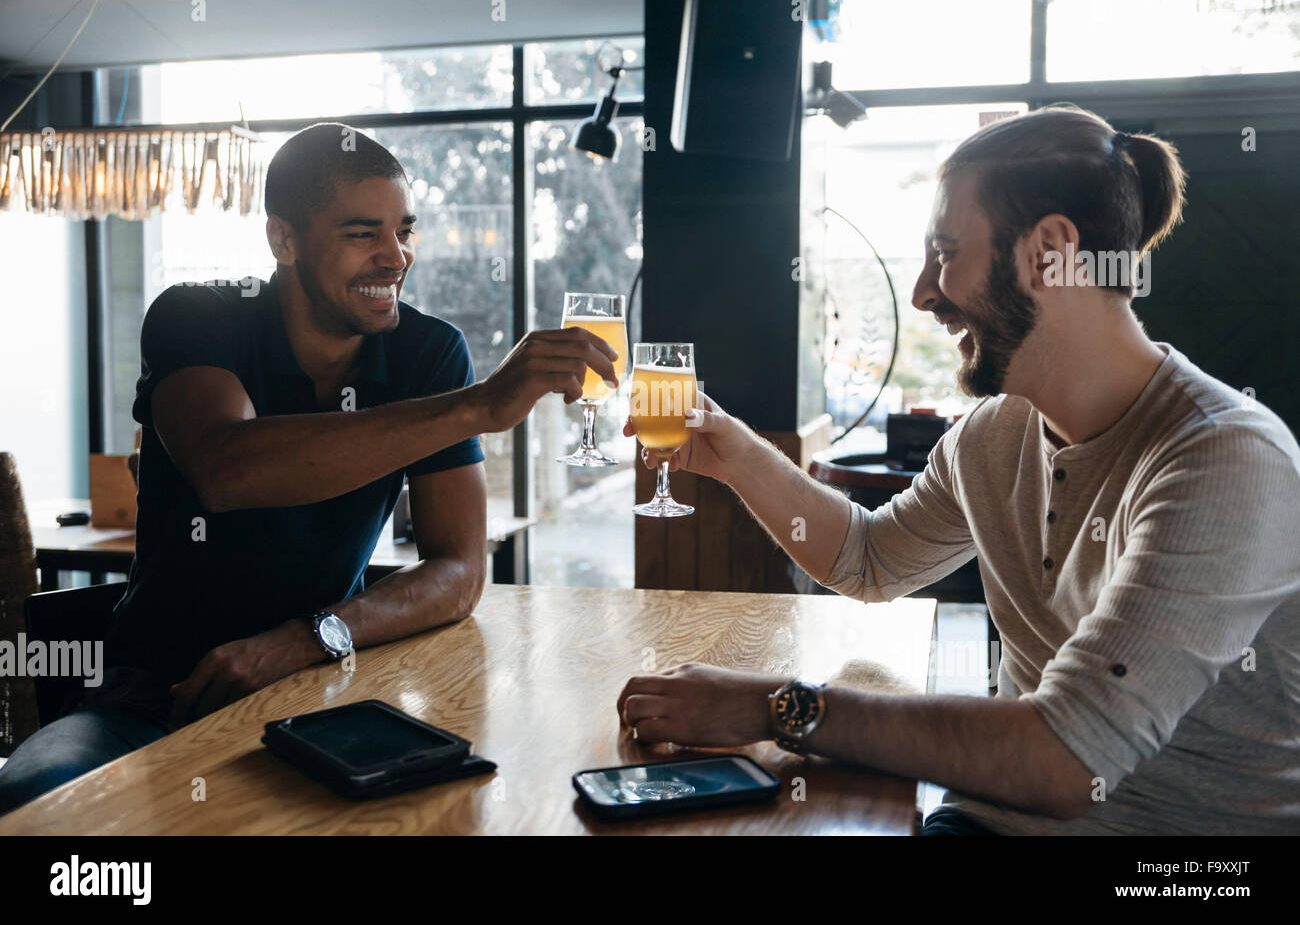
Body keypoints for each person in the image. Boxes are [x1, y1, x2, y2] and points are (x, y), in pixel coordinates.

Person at [617, 105, 1300, 835]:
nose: (923, 292)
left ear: (1050, 252)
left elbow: (1066, 761)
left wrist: (773, 707)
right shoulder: (995, 433)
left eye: (945, 252)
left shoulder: (1224, 459)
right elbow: (866, 560)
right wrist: (734, 453)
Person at [0, 122, 619, 816]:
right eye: (363, 234)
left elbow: (460, 572)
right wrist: (477, 407)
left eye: (404, 231)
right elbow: (227, 471)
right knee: (30, 801)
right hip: (153, 697)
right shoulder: (198, 318)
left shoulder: (428, 352)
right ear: (284, 241)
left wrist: (307, 639)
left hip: (327, 688)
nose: (396, 257)